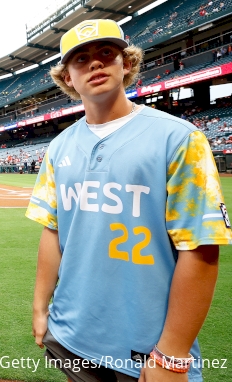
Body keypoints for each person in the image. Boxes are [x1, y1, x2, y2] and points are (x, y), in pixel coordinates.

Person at [31, 19, 231, 381]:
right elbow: (53, 229)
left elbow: (200, 248)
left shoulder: (180, 138)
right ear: (67, 79)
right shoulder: (58, 147)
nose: (95, 63)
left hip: (146, 345)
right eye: (81, 59)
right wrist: (40, 307)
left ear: (127, 63)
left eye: (107, 53)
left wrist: (171, 353)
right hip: (71, 334)